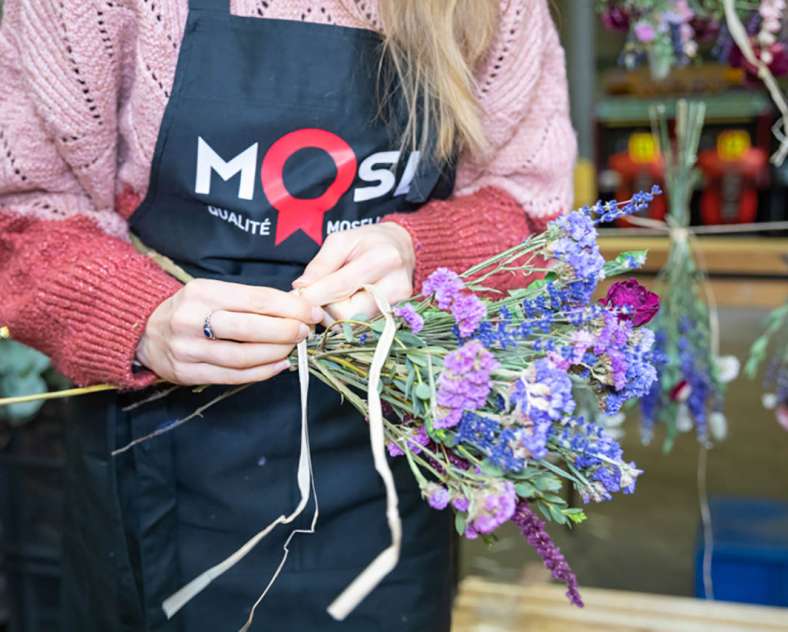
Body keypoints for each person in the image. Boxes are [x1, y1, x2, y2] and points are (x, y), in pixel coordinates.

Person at [0, 0, 576, 630]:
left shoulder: (497, 10)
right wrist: (139, 312)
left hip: (388, 487)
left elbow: (535, 220)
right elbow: (23, 213)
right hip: (158, 480)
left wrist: (421, 254)